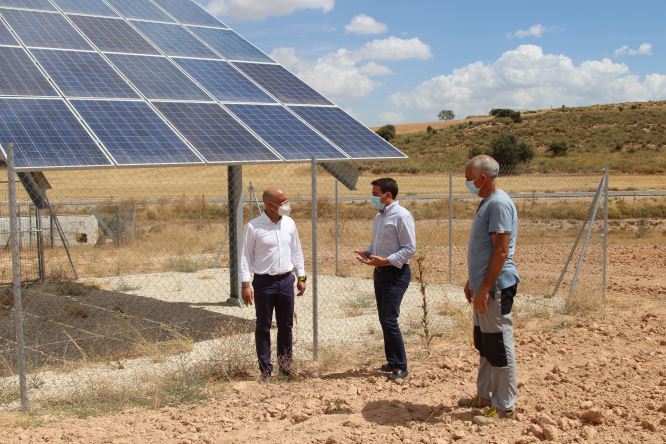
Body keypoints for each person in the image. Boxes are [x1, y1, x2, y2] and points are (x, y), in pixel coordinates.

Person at [457, 155, 521, 425]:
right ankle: (484, 396)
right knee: (484, 343)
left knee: (498, 345)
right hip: (484, 285)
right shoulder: (487, 202)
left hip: (495, 288)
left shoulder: (498, 204)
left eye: (469, 180)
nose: (467, 185)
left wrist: (484, 288)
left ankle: (504, 407)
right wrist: (473, 281)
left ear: (482, 178)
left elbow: (501, 250)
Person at [240, 187, 306, 381]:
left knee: (286, 326)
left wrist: (301, 277)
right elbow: (245, 256)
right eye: (283, 201)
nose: (287, 205)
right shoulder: (253, 227)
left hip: (286, 280)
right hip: (264, 282)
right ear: (270, 205)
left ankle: (285, 369)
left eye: (287, 200)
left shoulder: (290, 224)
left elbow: (297, 251)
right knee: (264, 326)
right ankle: (265, 371)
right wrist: (245, 284)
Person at [355, 178, 416, 381]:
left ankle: (401, 366)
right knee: (384, 318)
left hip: (395, 274)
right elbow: (377, 243)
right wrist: (368, 253)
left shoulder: (402, 216)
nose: (373, 198)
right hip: (380, 272)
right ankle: (391, 362)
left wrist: (386, 261)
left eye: (375, 194)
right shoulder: (379, 217)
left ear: (387, 195)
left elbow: (409, 248)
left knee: (390, 319)